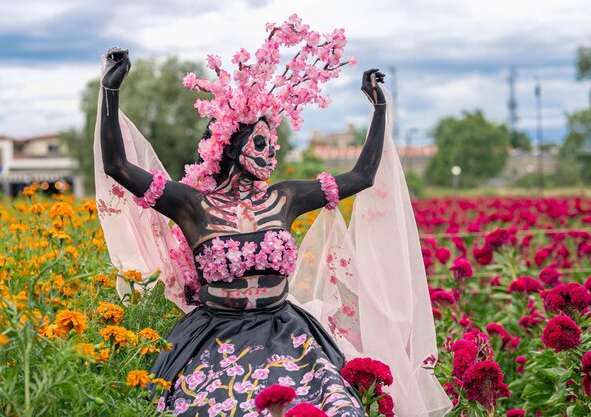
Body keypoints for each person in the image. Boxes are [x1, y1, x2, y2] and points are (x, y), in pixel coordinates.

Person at [94, 15, 452, 417]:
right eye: (260, 143)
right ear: (232, 148)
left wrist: (380, 109)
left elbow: (362, 176)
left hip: (288, 334)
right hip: (214, 337)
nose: (270, 153)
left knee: (336, 409)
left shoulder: (287, 198)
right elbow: (118, 167)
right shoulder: (192, 204)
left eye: (272, 144)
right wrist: (110, 90)